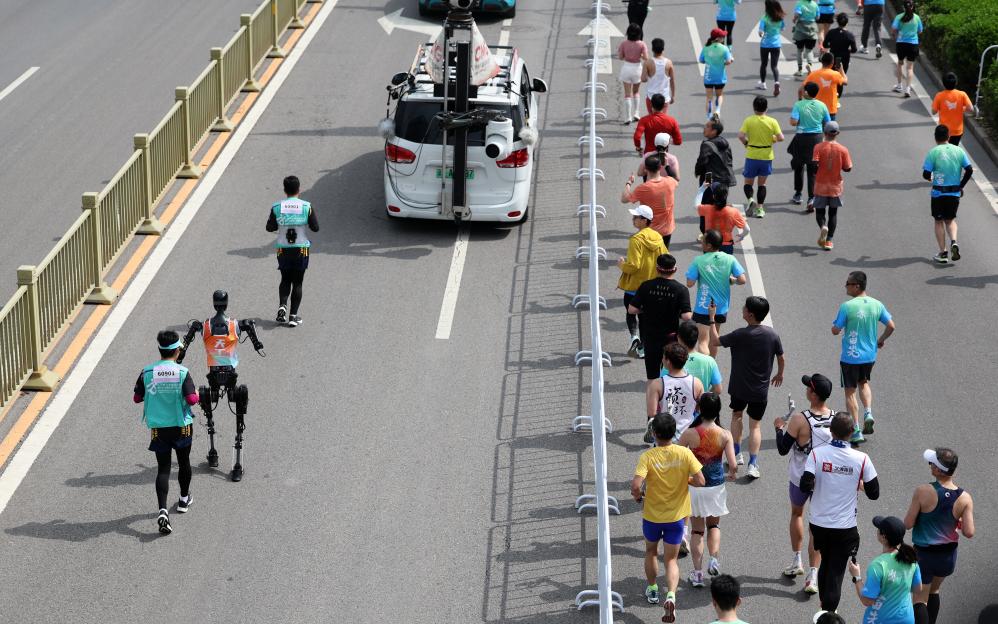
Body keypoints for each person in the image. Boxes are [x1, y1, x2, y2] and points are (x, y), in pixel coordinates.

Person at [800, 412, 880, 617]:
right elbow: (874, 493)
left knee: (826, 563)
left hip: (819, 523)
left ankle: (825, 609)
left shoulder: (817, 454)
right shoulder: (862, 459)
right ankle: (829, 613)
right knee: (836, 571)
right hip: (845, 527)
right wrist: (857, 483)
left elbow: (804, 485)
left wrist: (821, 479)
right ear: (852, 432)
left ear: (831, 431)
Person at [632, 412, 706, 622]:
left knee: (651, 552)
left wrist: (638, 496)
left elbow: (636, 485)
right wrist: (686, 481)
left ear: (654, 433)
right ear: (674, 433)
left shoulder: (648, 457)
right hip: (676, 518)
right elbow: (701, 481)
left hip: (652, 516)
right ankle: (671, 595)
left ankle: (653, 589)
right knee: (671, 559)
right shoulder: (684, 453)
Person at [709, 296, 785, 479]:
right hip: (760, 390)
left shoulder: (740, 334)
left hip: (739, 387)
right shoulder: (772, 335)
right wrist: (779, 374)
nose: (742, 309)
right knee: (755, 426)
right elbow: (781, 357)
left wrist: (712, 318)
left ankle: (736, 454)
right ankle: (753, 464)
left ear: (750, 314)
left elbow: (715, 341)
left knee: (737, 416)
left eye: (745, 307)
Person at [775, 373, 836, 595]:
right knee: (817, 525)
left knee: (797, 514)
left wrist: (778, 428)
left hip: (800, 476)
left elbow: (783, 449)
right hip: (824, 479)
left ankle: (797, 560)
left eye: (808, 387)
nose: (806, 390)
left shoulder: (799, 420)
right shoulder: (836, 418)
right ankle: (813, 576)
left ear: (813, 394)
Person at [133, 330, 200, 535]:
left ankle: (162, 510)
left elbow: (137, 398)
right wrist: (198, 394)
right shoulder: (182, 372)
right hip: (181, 426)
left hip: (158, 428)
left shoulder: (147, 372)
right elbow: (192, 400)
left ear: (160, 349)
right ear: (177, 350)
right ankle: (183, 499)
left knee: (163, 468)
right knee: (184, 463)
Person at [905, 448, 976, 624]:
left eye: (931, 463)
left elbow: (908, 524)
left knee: (920, 598)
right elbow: (969, 532)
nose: (930, 466)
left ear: (937, 470)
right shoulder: (965, 498)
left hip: (924, 555)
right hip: (947, 557)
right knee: (934, 591)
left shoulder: (923, 491)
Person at [679, 393, 737, 587]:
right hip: (716, 487)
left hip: (695, 486)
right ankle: (714, 559)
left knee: (697, 531)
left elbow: (678, 456)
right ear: (718, 410)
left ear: (700, 409)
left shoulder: (689, 433)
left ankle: (697, 574)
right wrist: (732, 474)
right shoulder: (725, 434)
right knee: (713, 526)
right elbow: (733, 464)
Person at [832, 270, 894, 444]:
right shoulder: (877, 304)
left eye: (848, 283)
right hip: (869, 356)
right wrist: (880, 340)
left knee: (850, 392)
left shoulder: (847, 306)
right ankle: (868, 412)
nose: (845, 286)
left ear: (856, 286)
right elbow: (891, 326)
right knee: (864, 382)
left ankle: (856, 430)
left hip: (850, 357)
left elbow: (835, 330)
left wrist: (835, 327)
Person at [628, 254, 692, 384]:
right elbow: (687, 316)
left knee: (652, 376)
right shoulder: (681, 289)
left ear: (657, 269)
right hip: (671, 338)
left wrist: (645, 310)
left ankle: (653, 395)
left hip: (650, 336)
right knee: (670, 374)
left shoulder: (646, 286)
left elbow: (632, 310)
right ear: (675, 269)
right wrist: (676, 313)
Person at [845, 516, 922, 624]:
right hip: (906, 619)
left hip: (879, 620)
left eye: (879, 529)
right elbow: (917, 589)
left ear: (883, 537)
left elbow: (867, 600)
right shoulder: (910, 558)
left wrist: (857, 577)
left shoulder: (878, 566)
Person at [267, 175, 318, 327]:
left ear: (285, 190)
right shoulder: (306, 206)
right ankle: (293, 317)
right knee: (298, 282)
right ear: (299, 189)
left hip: (283, 249)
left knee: (285, 279)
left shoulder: (277, 207)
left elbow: (270, 227)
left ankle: (282, 305)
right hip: (301, 249)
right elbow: (315, 227)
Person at [686, 230, 747, 357]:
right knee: (714, 339)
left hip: (703, 306)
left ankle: (704, 367)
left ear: (708, 245)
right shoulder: (730, 258)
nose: (701, 242)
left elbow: (690, 283)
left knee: (703, 341)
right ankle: (711, 365)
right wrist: (732, 280)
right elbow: (742, 280)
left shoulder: (699, 260)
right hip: (721, 307)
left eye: (703, 240)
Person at [618, 205, 667, 358]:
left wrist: (622, 265)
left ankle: (634, 337)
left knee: (630, 312)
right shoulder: (658, 237)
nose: (633, 219)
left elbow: (634, 266)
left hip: (634, 286)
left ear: (645, 220)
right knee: (645, 318)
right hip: (652, 286)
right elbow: (665, 258)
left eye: (636, 217)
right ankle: (642, 348)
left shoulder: (636, 240)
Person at [923, 124, 974, 263]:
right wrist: (960, 186)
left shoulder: (933, 152)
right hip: (954, 193)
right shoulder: (959, 151)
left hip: (938, 193)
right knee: (950, 220)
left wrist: (931, 177)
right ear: (949, 136)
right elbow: (969, 170)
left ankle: (943, 253)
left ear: (935, 138)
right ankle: (954, 242)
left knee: (938, 221)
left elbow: (926, 174)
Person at [646, 342, 705, 444]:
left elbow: (652, 413)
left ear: (668, 361)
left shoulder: (657, 384)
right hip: (688, 436)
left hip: (664, 437)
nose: (662, 360)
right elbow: (701, 409)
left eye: (663, 357)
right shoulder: (697, 383)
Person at [738, 96, 785, 218]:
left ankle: (750, 199)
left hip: (752, 155)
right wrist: (772, 139)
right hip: (766, 156)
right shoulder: (772, 121)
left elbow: (741, 136)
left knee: (748, 183)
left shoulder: (749, 120)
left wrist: (746, 143)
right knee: (762, 184)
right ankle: (760, 209)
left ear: (754, 108)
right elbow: (781, 138)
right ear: (766, 108)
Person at [788, 81, 831, 210]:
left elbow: (793, 122)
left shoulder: (798, 105)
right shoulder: (822, 105)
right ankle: (811, 198)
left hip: (801, 139)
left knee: (799, 166)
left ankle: (798, 194)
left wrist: (799, 120)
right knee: (813, 170)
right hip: (817, 139)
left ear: (806, 92)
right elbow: (828, 123)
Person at [812, 120, 852, 250]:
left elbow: (814, 164)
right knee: (833, 213)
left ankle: (823, 226)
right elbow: (848, 168)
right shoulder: (843, 149)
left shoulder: (818, 147)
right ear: (838, 133)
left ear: (824, 132)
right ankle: (829, 240)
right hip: (835, 186)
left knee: (820, 211)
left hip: (821, 184)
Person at [623, 155, 679, 246]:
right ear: (660, 167)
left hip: (650, 231)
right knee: (663, 254)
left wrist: (629, 183)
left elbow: (624, 199)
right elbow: (676, 180)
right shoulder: (670, 182)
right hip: (667, 230)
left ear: (646, 169)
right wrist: (667, 166)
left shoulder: (643, 188)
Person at [695, 117, 736, 214]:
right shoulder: (725, 143)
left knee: (706, 207)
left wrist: (697, 171)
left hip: (710, 178)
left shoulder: (707, 145)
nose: (704, 128)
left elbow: (702, 161)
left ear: (714, 131)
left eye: (707, 126)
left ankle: (707, 223)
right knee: (720, 207)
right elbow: (729, 160)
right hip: (725, 179)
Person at [698, 184, 748, 254]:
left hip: (709, 245)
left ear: (713, 196)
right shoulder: (733, 211)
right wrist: (742, 235)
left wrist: (701, 189)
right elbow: (747, 229)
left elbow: (696, 205)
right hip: (726, 245)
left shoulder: (707, 209)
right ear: (726, 196)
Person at [677, 320, 723, 395]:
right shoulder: (709, 361)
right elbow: (718, 389)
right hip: (700, 401)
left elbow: (664, 385)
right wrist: (703, 397)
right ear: (697, 338)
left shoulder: (672, 360)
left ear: (679, 338)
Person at [700, 28, 735, 120]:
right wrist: (725, 62)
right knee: (719, 95)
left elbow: (701, 60)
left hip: (708, 77)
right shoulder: (724, 48)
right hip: (720, 77)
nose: (724, 38)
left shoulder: (706, 47)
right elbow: (728, 61)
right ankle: (718, 110)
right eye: (722, 36)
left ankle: (709, 117)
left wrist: (709, 60)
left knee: (709, 98)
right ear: (718, 38)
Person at [933, 73, 976, 146]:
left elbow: (934, 112)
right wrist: (962, 108)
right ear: (956, 83)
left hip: (944, 131)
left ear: (943, 83)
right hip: (957, 130)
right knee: (953, 148)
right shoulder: (962, 94)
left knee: (943, 149)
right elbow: (971, 109)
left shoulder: (939, 95)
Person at [801, 52, 847, 120]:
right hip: (830, 110)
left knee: (817, 126)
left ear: (822, 62)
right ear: (832, 63)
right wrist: (841, 69)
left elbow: (802, 87)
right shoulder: (835, 74)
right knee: (830, 126)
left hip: (816, 109)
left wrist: (806, 100)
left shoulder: (813, 74)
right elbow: (845, 82)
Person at [618, 23, 649, 124]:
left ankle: (628, 117)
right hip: (637, 69)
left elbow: (620, 57)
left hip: (627, 68)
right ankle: (636, 113)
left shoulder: (624, 43)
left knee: (627, 94)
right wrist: (640, 55)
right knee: (636, 92)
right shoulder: (642, 44)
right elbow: (646, 58)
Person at [891, 1, 923, 98]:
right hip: (913, 45)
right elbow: (920, 31)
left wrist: (895, 35)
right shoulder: (917, 18)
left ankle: (899, 85)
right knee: (910, 68)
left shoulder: (899, 17)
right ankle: (908, 88)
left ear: (903, 7)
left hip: (901, 44)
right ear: (913, 7)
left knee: (900, 64)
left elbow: (894, 29)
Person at [823, 13, 857, 98]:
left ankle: (830, 94)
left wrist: (831, 45)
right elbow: (854, 49)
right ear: (847, 22)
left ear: (837, 21)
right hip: (844, 59)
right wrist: (848, 50)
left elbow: (825, 44)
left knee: (830, 76)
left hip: (833, 57)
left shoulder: (831, 32)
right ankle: (837, 97)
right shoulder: (850, 35)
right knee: (840, 77)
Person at [757, 0, 786, 96]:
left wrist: (761, 33)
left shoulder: (764, 18)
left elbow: (760, 31)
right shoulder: (780, 17)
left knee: (764, 64)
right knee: (774, 66)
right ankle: (776, 82)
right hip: (776, 44)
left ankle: (763, 83)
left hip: (765, 44)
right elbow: (783, 28)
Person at [643, 38, 676, 114]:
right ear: (663, 49)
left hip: (651, 97)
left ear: (652, 49)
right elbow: (672, 80)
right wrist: (673, 96)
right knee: (662, 119)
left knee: (651, 118)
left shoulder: (648, 62)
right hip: (664, 98)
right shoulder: (669, 63)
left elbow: (643, 79)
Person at [792, 0, 819, 78]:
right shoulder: (815, 5)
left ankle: (800, 70)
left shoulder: (799, 3)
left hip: (801, 28)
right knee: (809, 50)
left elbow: (797, 14)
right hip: (812, 28)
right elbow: (817, 17)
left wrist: (794, 19)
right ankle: (809, 64)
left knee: (799, 50)